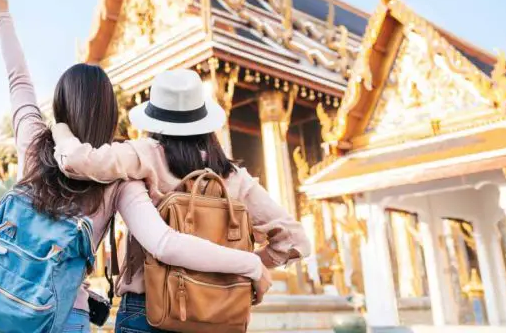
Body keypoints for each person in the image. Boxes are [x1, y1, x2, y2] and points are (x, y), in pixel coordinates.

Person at [0, 0, 273, 333]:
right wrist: (250, 264)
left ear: (61, 105)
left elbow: (18, 80)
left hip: (1, 301)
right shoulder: (119, 178)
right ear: (112, 113)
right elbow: (164, 243)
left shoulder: (34, 142)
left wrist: (2, 16)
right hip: (64, 316)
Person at [51, 69, 312, 332]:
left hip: (149, 309)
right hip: (219, 313)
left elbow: (76, 161)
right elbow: (296, 241)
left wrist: (59, 128)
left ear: (154, 119)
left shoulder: (145, 155)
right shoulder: (234, 177)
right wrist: (237, 267)